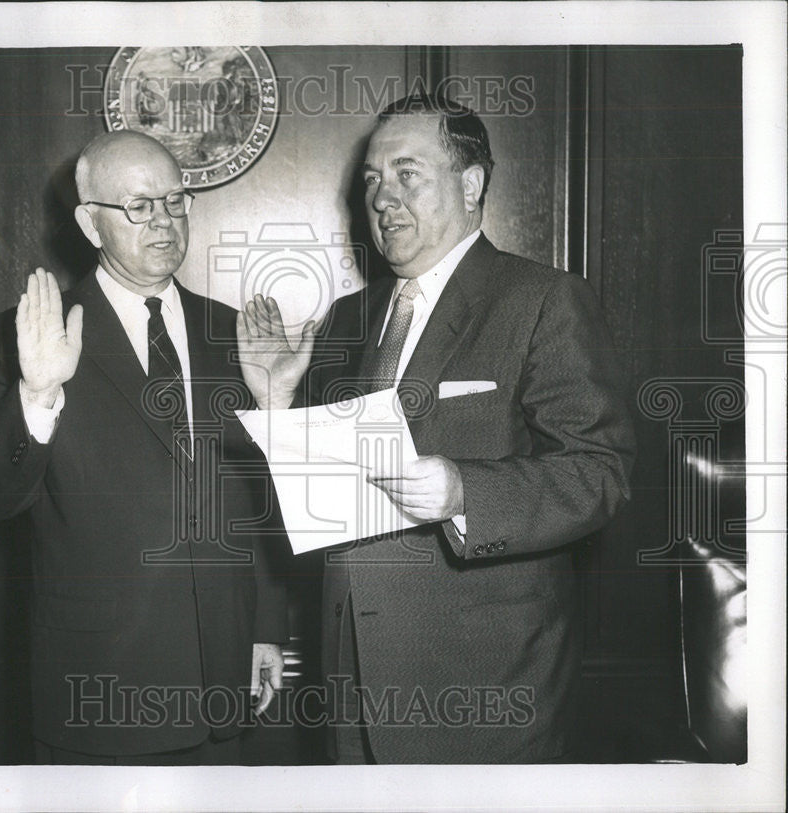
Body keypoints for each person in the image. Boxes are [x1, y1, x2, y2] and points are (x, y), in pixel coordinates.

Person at [237, 93, 636, 763]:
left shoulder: (542, 299)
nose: (382, 196)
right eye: (371, 179)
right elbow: (324, 503)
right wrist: (277, 404)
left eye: (407, 173)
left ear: (472, 183)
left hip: (484, 691)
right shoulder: (346, 318)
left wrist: (465, 494)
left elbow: (601, 471)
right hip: (351, 687)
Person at [0, 131, 288, 765]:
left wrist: (265, 630)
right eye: (139, 206)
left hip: (223, 678)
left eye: (175, 201)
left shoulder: (232, 333)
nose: (163, 221)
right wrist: (38, 391)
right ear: (90, 223)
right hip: (98, 684)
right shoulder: (24, 337)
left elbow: (257, 497)